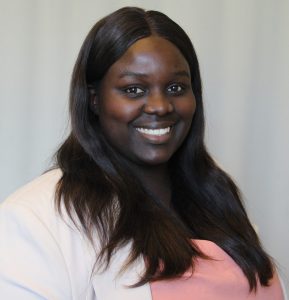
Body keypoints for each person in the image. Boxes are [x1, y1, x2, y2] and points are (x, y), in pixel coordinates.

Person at [0, 6, 285, 300]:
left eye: (176, 87)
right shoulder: (35, 217)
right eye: (134, 89)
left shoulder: (218, 199)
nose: (160, 106)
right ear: (94, 100)